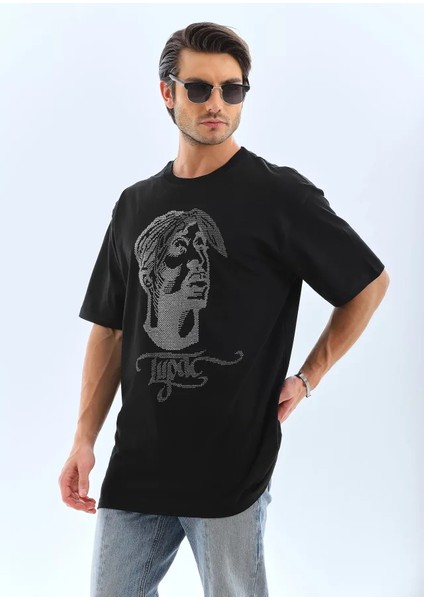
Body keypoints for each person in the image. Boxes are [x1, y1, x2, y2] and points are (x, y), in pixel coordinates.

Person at [58, 21, 390, 597]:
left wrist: (308, 377)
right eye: (199, 88)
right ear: (167, 92)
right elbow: (109, 329)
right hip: (137, 466)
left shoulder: (279, 196)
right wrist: (84, 438)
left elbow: (368, 284)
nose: (217, 103)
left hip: (231, 471)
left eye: (232, 89)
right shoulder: (135, 205)